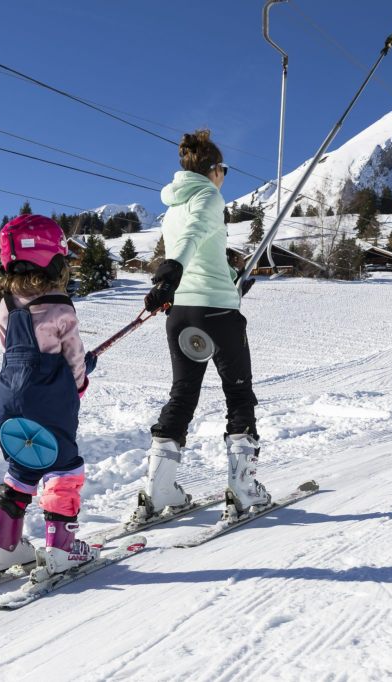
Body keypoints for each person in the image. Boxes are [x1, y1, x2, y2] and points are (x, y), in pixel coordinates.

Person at [133, 129, 270, 522]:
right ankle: (244, 488)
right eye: (223, 169)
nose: (224, 175)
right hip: (218, 313)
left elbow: (196, 248)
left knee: (183, 393)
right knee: (238, 395)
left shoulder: (175, 204)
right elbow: (190, 242)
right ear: (212, 169)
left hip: (182, 313)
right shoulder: (210, 196)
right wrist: (170, 270)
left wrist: (230, 274)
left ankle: (159, 489)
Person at [0, 215, 98, 585]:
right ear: (53, 259)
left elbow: (10, 344)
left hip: (10, 400)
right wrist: (81, 381)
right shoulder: (61, 308)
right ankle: (61, 547)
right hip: (50, 401)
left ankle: (3, 545)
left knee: (23, 465)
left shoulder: (7, 305)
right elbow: (73, 359)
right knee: (62, 466)